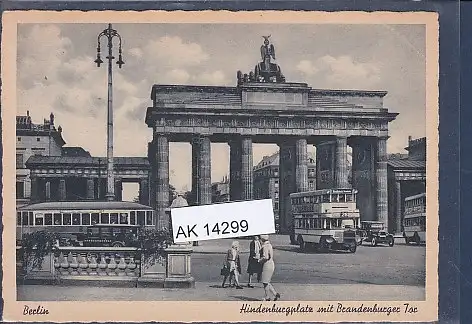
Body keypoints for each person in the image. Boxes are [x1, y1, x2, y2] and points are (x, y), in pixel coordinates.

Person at [258, 234, 280, 301]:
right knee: (267, 281)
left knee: (265, 282)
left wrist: (259, 260)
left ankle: (267, 297)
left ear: (262, 239)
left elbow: (266, 257)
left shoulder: (265, 246)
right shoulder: (269, 245)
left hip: (266, 264)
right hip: (271, 264)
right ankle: (275, 294)